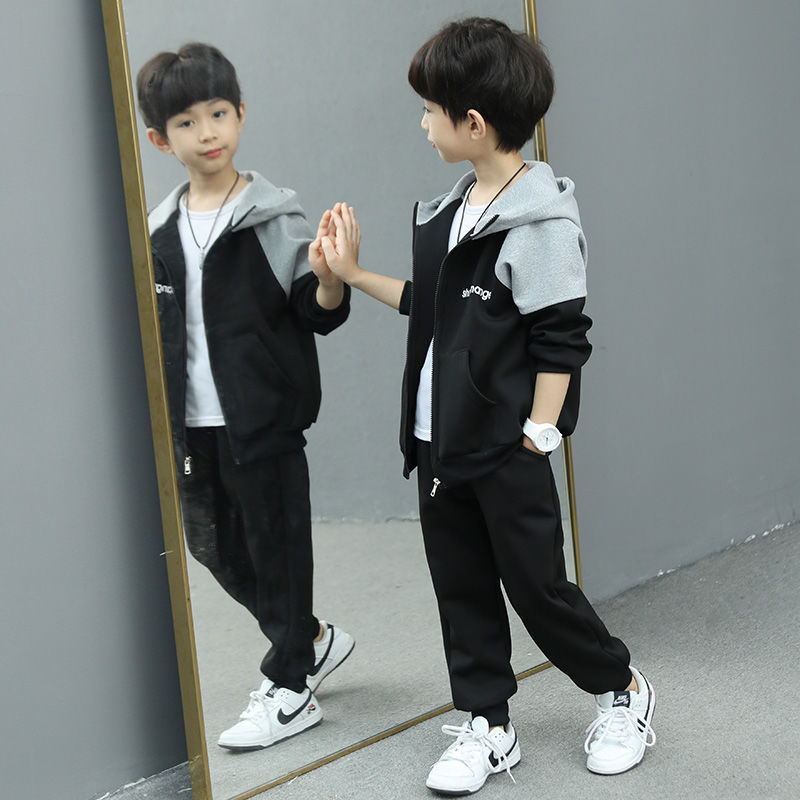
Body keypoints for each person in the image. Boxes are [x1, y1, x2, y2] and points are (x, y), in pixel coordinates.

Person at [318, 17, 656, 795]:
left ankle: (621, 691)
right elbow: (435, 311)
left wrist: (539, 433)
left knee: (537, 589)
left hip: (506, 447)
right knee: (461, 587)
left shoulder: (539, 224)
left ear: (472, 123)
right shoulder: (453, 210)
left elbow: (560, 339)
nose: (422, 123)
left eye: (429, 110)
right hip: (440, 444)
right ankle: (487, 723)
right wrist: (355, 274)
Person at [136, 43, 354, 751]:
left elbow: (316, 310)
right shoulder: (158, 234)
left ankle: (290, 684)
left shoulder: (273, 218)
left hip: (264, 421)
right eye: (187, 123)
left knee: (277, 549)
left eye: (218, 114)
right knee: (211, 543)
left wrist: (329, 278)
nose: (207, 133)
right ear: (160, 140)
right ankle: (308, 637)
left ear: (241, 114)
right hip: (192, 427)